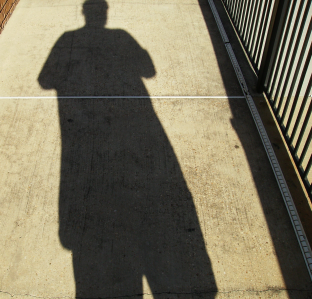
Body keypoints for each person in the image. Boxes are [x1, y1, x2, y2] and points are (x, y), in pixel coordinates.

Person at [38, 0, 217, 297]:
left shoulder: (68, 39)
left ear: (86, 15)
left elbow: (45, 79)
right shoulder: (121, 36)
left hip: (82, 131)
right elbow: (148, 70)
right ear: (102, 14)